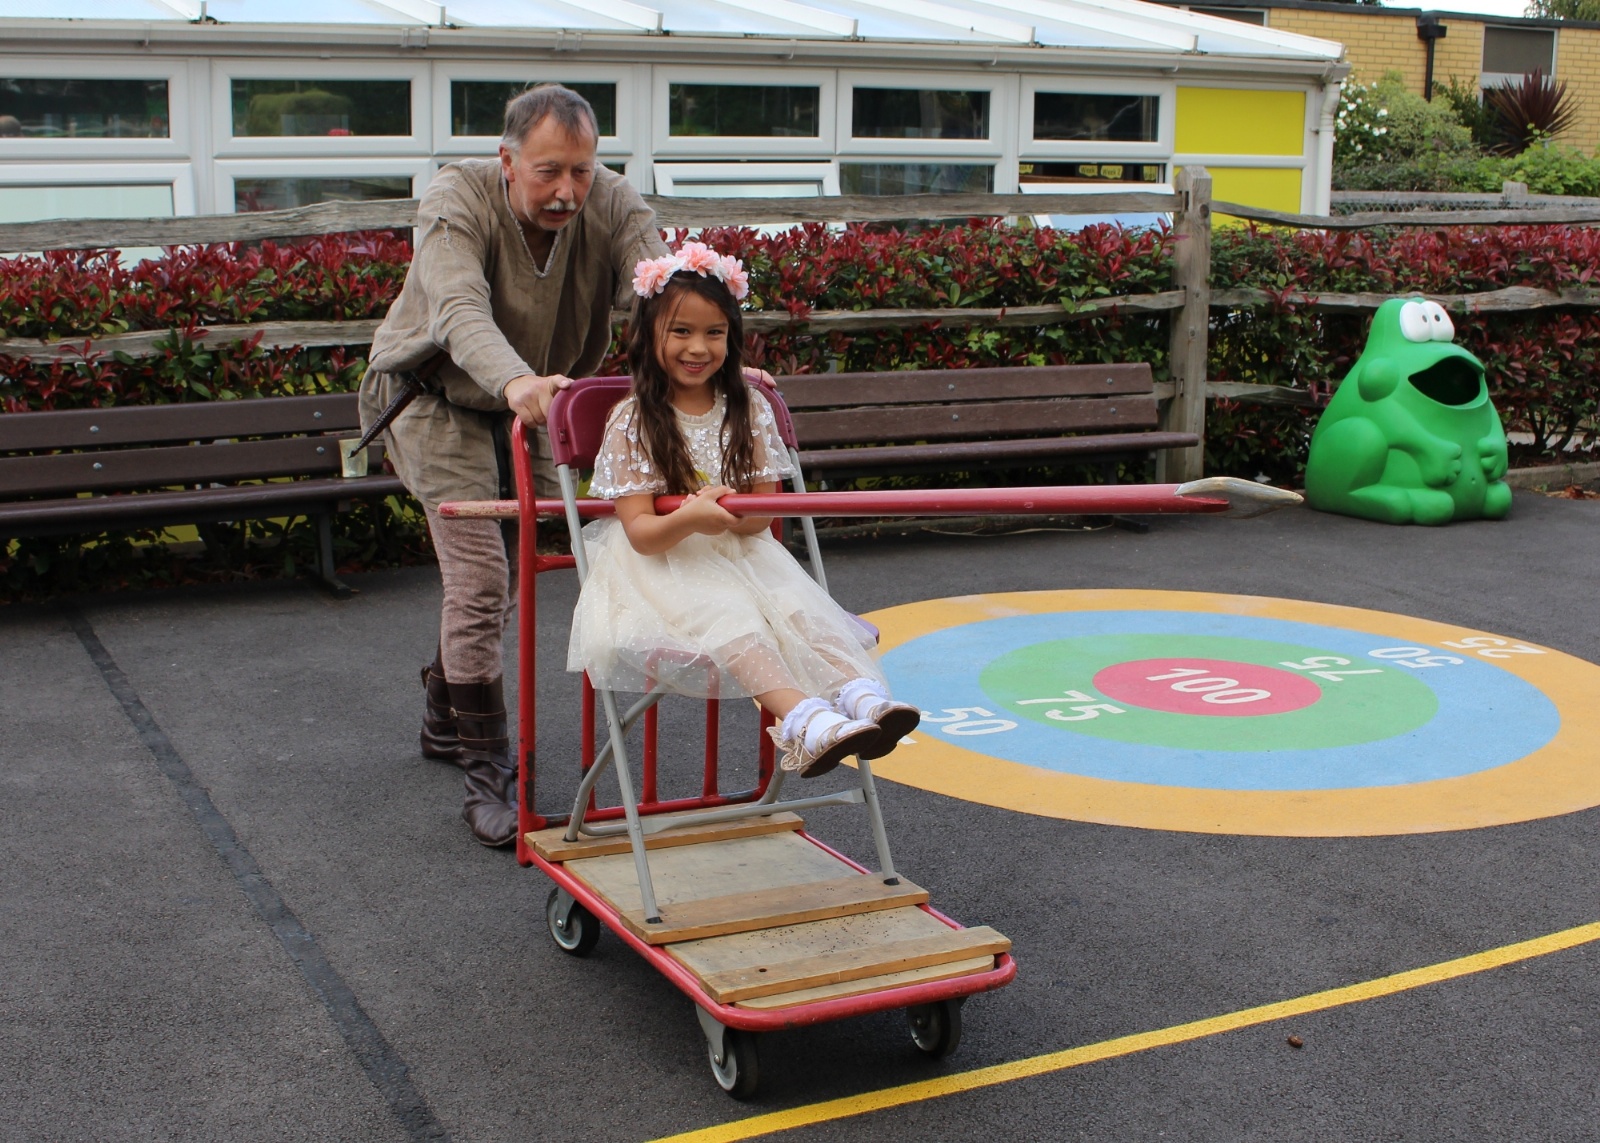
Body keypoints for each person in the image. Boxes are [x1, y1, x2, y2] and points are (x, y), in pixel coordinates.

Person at [358, 84, 669, 846]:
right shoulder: (455, 199)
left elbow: (660, 291)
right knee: (481, 581)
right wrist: (515, 380)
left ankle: (444, 711)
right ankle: (487, 776)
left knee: (509, 578)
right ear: (507, 161)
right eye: (547, 171)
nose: (566, 191)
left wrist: (714, 367)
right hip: (437, 398)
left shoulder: (613, 202)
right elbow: (457, 307)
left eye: (581, 171)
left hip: (536, 401)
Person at [568, 245, 921, 776]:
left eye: (714, 332)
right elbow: (640, 531)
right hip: (665, 564)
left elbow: (763, 507)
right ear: (648, 335)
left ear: (731, 337)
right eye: (680, 331)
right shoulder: (633, 419)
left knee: (796, 607)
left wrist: (737, 516)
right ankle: (805, 719)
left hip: (743, 548)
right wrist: (691, 518)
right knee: (734, 614)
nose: (698, 347)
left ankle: (861, 696)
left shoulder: (747, 406)